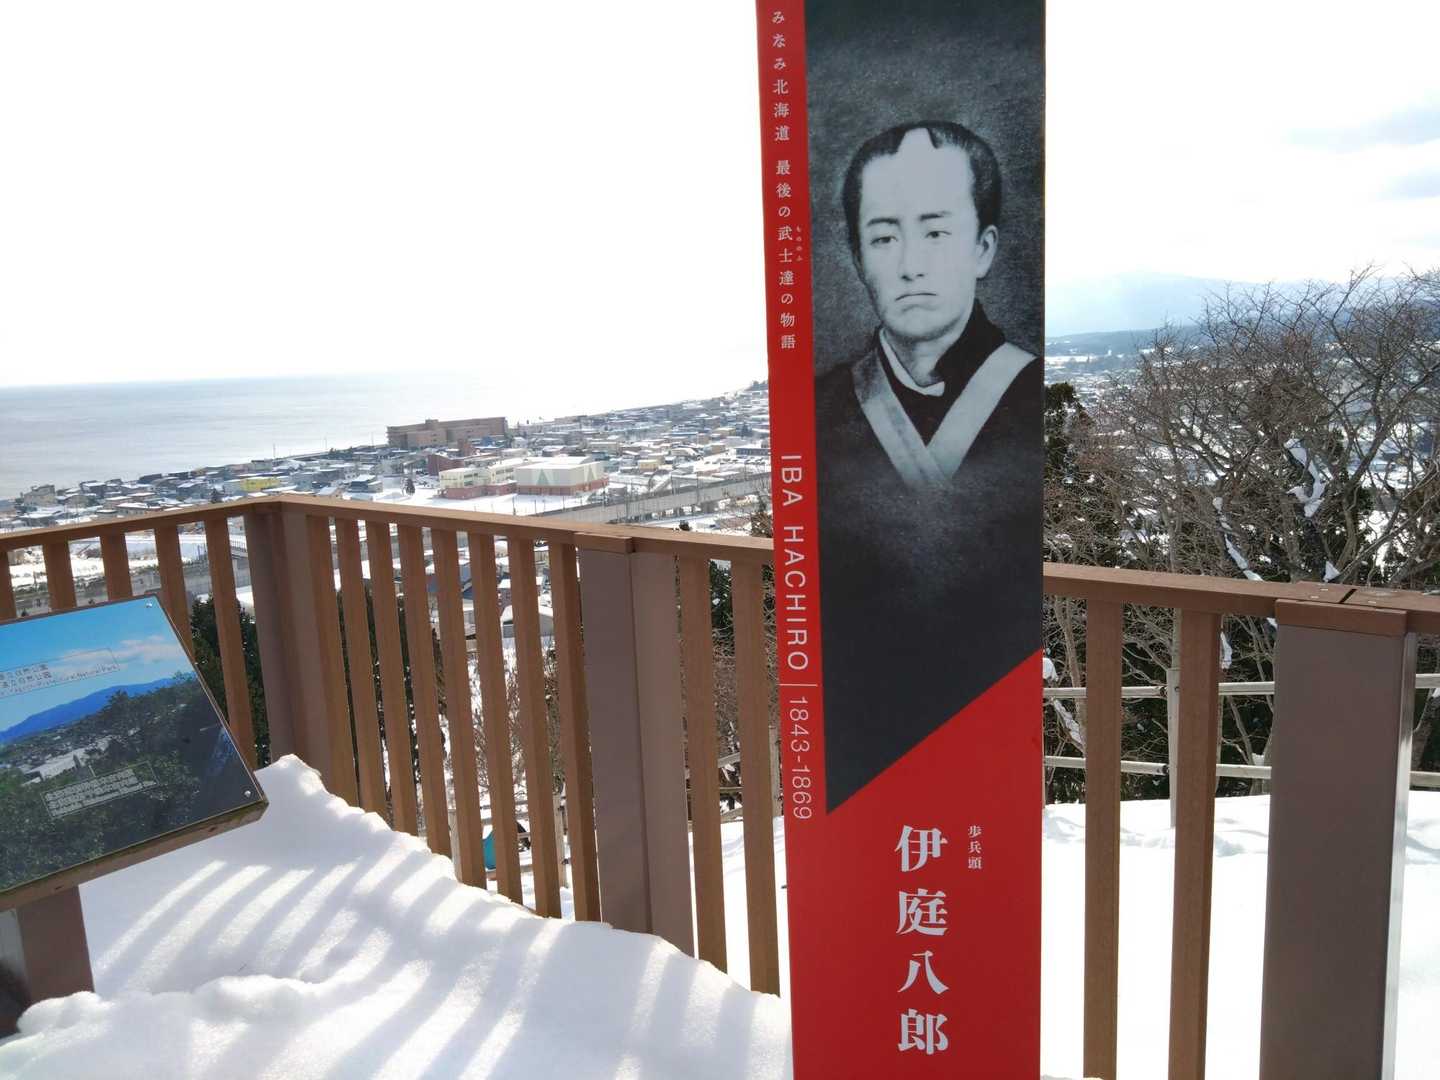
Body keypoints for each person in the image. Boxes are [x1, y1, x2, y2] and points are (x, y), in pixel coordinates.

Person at [814, 121, 1041, 809]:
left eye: (937, 232)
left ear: (983, 247)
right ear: (859, 257)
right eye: (884, 238)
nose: (911, 264)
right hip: (866, 715)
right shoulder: (822, 409)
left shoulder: (1028, 395)